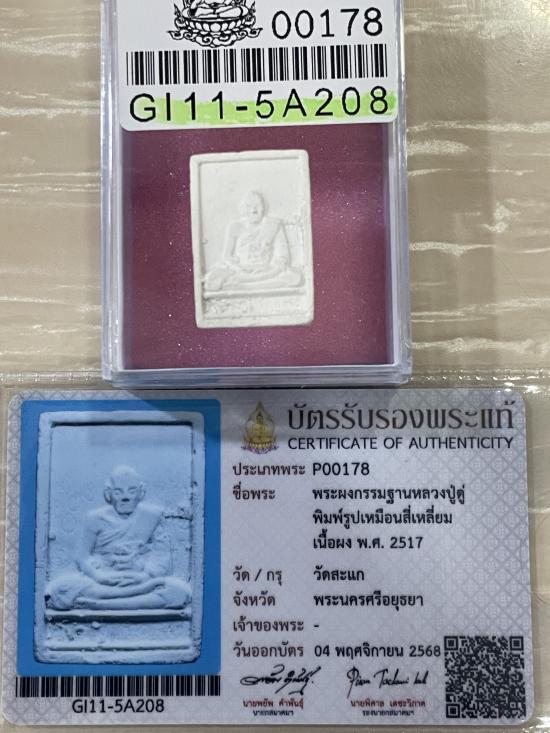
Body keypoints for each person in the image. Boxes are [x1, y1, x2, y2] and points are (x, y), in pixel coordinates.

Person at [45, 466, 191, 612]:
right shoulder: (95, 518)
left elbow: (161, 556)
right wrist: (99, 577)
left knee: (178, 592)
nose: (125, 497)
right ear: (108, 493)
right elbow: (82, 557)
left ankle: (100, 605)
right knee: (60, 590)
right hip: (102, 581)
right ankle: (125, 601)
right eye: (118, 492)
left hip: (140, 580)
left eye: (131, 491)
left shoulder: (152, 516)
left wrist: (146, 576)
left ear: (141, 492)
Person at [204, 190, 303, 293]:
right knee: (215, 278)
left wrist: (273, 269)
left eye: (258, 206)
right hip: (240, 271)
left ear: (264, 208)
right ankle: (248, 284)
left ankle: (243, 285)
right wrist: (238, 268)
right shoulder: (235, 227)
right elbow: (227, 256)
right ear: (242, 209)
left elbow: (283, 256)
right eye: (249, 206)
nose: (253, 210)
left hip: (268, 272)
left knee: (293, 277)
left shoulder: (274, 225)